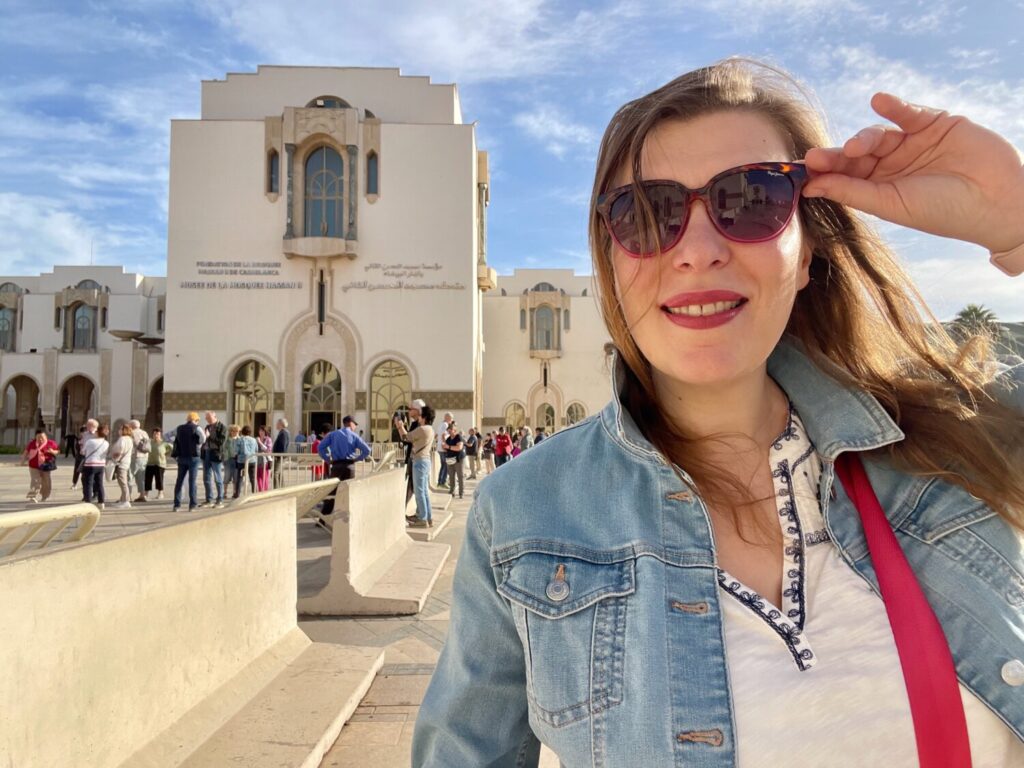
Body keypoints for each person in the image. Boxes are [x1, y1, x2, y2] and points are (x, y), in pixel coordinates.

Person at [412, 59, 1024, 767]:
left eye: (753, 199)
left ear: (806, 252)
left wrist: (1017, 223)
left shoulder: (961, 440)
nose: (698, 252)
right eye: (648, 214)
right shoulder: (525, 512)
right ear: (609, 258)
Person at [317, 416, 372, 516]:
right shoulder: (354, 436)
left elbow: (320, 448)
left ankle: (323, 518)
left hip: (336, 466)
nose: (355, 427)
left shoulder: (333, 434)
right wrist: (357, 459)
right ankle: (346, 517)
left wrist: (328, 459)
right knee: (348, 492)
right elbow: (367, 450)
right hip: (349, 467)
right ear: (350, 423)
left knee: (332, 492)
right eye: (355, 424)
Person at [396, 404, 436, 528]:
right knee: (423, 491)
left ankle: (422, 519)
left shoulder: (422, 429)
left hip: (419, 462)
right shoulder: (430, 429)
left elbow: (405, 437)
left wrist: (400, 426)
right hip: (425, 461)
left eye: (420, 414)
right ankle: (428, 517)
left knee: (419, 491)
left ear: (423, 416)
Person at [172, 411, 205, 512]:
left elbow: (170, 436)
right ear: (196, 420)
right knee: (192, 481)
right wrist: (198, 444)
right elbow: (203, 439)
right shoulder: (197, 428)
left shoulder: (179, 428)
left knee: (179, 481)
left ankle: (176, 505)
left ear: (187, 419)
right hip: (193, 457)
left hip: (181, 457)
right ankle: (192, 505)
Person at [22, 428, 59, 503]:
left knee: (46, 482)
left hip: (46, 465)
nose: (41, 439)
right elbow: (26, 452)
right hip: (33, 465)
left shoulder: (51, 443)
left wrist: (52, 451)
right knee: (35, 480)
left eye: (42, 437)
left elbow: (57, 451)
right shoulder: (32, 443)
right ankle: (32, 496)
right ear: (36, 437)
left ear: (46, 436)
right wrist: (23, 460)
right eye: (38, 438)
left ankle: (44, 496)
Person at [201, 411, 227, 508]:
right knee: (206, 478)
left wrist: (209, 436)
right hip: (206, 453)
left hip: (216, 454)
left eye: (209, 418)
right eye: (206, 418)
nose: (207, 420)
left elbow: (221, 442)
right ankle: (209, 500)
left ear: (214, 416)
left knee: (218, 478)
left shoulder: (222, 427)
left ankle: (220, 500)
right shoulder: (207, 427)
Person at [106, 423, 136, 509]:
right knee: (122, 482)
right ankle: (123, 499)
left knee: (123, 482)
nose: (119, 431)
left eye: (120, 429)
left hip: (121, 463)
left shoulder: (123, 439)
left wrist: (115, 456)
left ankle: (126, 501)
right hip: (125, 462)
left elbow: (120, 450)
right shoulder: (129, 439)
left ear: (124, 430)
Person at [80, 423, 109, 509]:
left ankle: (88, 502)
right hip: (101, 465)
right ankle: (101, 502)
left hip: (90, 464)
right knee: (99, 483)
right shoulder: (106, 442)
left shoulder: (90, 441)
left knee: (88, 483)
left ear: (97, 433)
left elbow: (83, 451)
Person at [145, 427, 172, 500]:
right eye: (154, 434)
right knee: (148, 479)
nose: (156, 435)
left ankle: (160, 493)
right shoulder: (150, 442)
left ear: (160, 435)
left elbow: (171, 449)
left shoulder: (164, 443)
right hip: (150, 463)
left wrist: (166, 454)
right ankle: (146, 493)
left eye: (157, 434)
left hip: (160, 463)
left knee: (159, 479)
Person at [232, 425, 258, 498]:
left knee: (239, 478)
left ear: (242, 432)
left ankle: (237, 494)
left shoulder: (239, 440)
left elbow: (236, 451)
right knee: (252, 478)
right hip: (252, 460)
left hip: (242, 460)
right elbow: (256, 449)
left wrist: (235, 456)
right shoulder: (254, 440)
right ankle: (255, 492)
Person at [129, 419, 150, 503]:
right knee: (141, 477)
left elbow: (133, 444)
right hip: (144, 457)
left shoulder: (132, 433)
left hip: (135, 457)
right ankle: (142, 495)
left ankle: (128, 496)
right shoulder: (144, 433)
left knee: (129, 476)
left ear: (131, 426)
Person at [444, 422, 466, 499]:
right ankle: (452, 491)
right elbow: (445, 447)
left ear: (455, 430)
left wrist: (448, 447)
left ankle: (461, 492)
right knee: (451, 476)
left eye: (451, 430)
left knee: (460, 476)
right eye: (448, 430)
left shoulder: (459, 437)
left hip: (459, 459)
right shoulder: (448, 439)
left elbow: (459, 448)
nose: (449, 432)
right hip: (450, 459)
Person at [72, 421, 95, 490]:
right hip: (79, 457)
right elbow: (77, 448)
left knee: (85, 473)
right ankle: (74, 483)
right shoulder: (79, 439)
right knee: (77, 471)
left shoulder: (90, 440)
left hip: (86, 457)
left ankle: (85, 485)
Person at [272, 418, 291, 488]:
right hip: (279, 456)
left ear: (281, 424)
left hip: (279, 457)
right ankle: (282, 489)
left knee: (275, 473)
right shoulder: (282, 432)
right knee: (280, 473)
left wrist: (278, 456)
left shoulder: (283, 433)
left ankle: (276, 490)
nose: (276, 425)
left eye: (277, 423)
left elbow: (282, 446)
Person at [436, 411, 453, 487]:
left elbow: (436, 435)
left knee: (443, 465)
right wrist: (445, 445)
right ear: (448, 418)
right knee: (446, 465)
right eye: (451, 418)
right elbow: (443, 435)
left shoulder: (440, 424)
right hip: (443, 448)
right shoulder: (445, 425)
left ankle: (440, 482)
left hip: (439, 447)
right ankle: (443, 482)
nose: (452, 420)